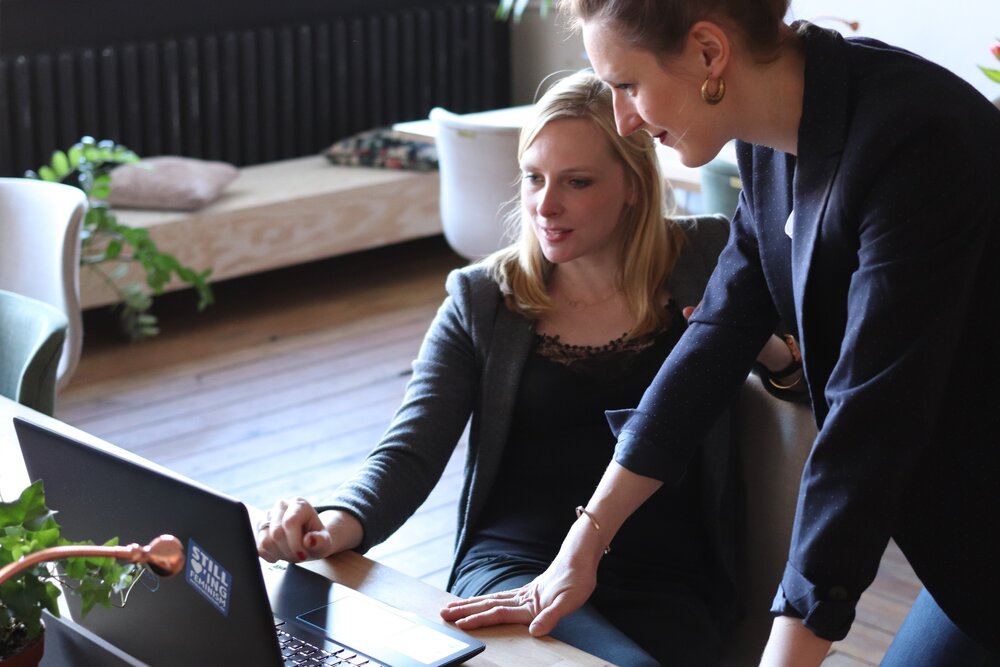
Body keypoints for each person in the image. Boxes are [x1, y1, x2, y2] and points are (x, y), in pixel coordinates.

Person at [441, 2, 1000, 665]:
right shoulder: (773, 144)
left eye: (627, 85)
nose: (622, 118)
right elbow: (714, 338)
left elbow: (870, 424)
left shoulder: (914, 138)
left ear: (709, 52)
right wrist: (581, 548)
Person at [256, 69, 800, 666]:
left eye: (577, 181)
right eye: (534, 178)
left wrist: (766, 350)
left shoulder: (708, 256)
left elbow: (806, 387)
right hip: (512, 566)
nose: (546, 205)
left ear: (633, 186)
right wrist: (335, 521)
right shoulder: (483, 299)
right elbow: (409, 450)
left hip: (666, 576)